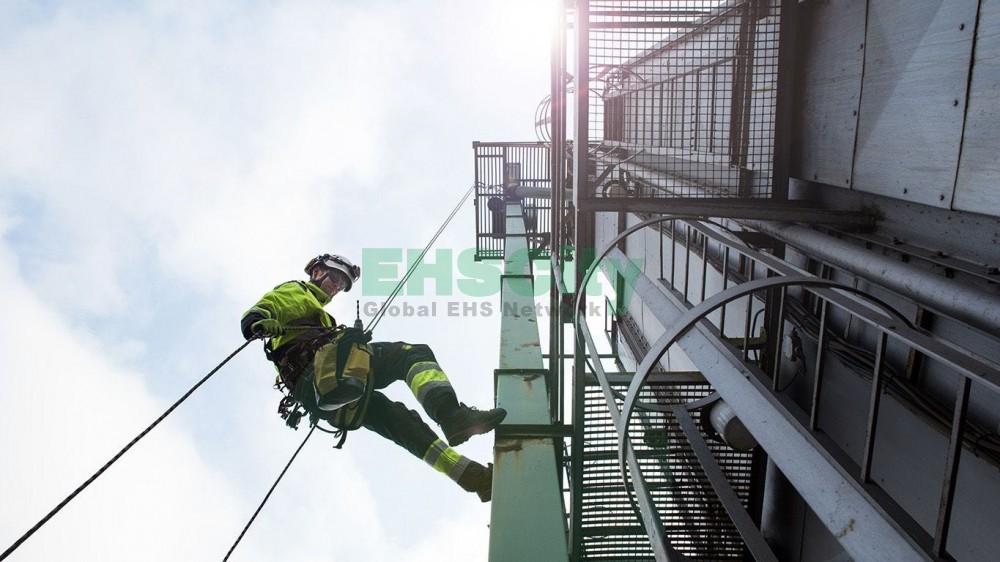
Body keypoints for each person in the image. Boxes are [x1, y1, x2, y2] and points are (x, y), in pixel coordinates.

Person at [240, 253, 506, 501]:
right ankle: (452, 416)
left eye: (341, 285)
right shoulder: (300, 292)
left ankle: (476, 479)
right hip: (322, 372)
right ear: (317, 271)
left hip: (320, 392)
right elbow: (272, 305)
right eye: (334, 278)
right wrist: (258, 319)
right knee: (410, 355)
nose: (335, 287)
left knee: (403, 424)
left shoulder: (323, 318)